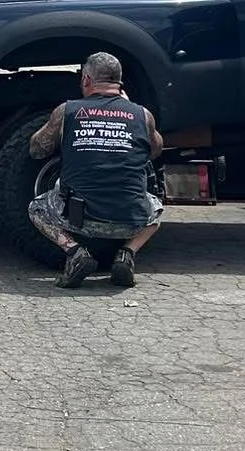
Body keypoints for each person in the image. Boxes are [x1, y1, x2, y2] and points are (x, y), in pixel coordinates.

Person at [21, 51, 163, 289]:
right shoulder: (142, 115)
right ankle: (126, 253)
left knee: (36, 209)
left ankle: (76, 252)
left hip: (80, 221)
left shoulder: (68, 111)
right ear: (119, 82)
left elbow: (36, 149)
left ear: (86, 79)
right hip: (130, 221)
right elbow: (156, 149)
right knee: (156, 211)